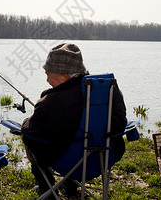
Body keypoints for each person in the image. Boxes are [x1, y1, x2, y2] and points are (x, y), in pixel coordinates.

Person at [21, 43, 127, 199]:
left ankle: (47, 189)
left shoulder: (51, 102)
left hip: (69, 163)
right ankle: (71, 188)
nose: (47, 80)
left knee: (31, 141)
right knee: (73, 137)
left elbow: (31, 133)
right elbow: (120, 124)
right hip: (104, 159)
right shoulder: (108, 89)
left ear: (64, 76)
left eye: (49, 74)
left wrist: (24, 125)